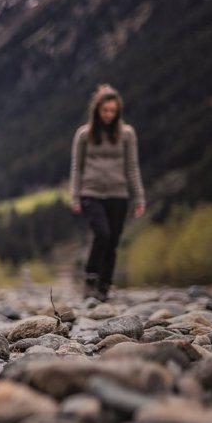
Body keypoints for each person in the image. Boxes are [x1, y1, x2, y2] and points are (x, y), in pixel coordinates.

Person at [70, 84, 146, 301]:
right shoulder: (84, 135)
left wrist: (139, 197)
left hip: (118, 194)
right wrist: (75, 196)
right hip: (90, 193)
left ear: (117, 112)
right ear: (97, 110)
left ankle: (104, 288)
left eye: (112, 111)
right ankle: (90, 278)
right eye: (105, 110)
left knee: (112, 241)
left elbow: (132, 167)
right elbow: (77, 168)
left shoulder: (127, 134)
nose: (108, 115)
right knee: (102, 234)